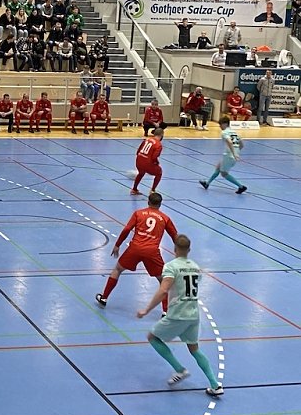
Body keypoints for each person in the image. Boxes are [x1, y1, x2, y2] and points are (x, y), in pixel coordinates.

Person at [137, 234, 224, 397]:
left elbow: (163, 290)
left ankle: (180, 369)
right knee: (194, 348)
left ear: (175, 249)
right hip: (193, 314)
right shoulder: (195, 267)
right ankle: (215, 384)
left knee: (152, 337)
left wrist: (146, 310)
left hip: (177, 313)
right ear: (189, 250)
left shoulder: (171, 267)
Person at [96, 192, 178, 314]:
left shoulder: (138, 213)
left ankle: (104, 298)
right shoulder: (165, 218)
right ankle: (165, 312)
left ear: (148, 202)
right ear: (160, 204)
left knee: (117, 270)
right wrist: (179, 253)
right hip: (152, 252)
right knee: (163, 280)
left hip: (135, 248)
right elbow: (175, 236)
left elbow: (127, 229)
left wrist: (118, 244)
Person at [200, 117, 247, 194]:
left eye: (220, 124)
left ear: (225, 124)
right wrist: (237, 152)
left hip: (229, 155)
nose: (220, 127)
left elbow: (229, 142)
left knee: (224, 174)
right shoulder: (234, 132)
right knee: (218, 167)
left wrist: (234, 154)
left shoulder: (224, 132)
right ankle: (207, 183)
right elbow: (241, 144)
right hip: (231, 155)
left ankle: (241, 187)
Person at [132, 128, 165, 195]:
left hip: (138, 161)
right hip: (147, 163)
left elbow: (138, 151)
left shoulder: (146, 139)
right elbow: (154, 157)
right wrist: (156, 163)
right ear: (161, 135)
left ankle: (134, 189)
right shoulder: (158, 145)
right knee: (159, 173)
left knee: (141, 173)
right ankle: (152, 190)